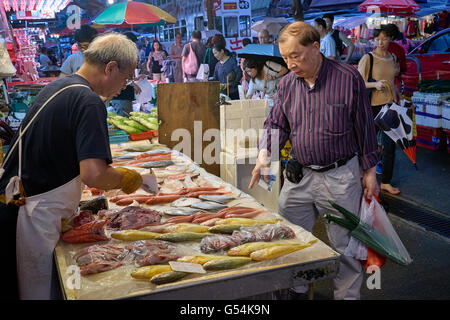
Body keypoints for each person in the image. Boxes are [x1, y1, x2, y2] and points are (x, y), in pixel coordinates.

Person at [0, 33, 143, 300]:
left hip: (27, 206)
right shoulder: (88, 101)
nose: (124, 87)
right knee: (38, 293)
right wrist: (128, 178)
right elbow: (94, 174)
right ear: (110, 67)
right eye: (126, 78)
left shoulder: (60, 86)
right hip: (33, 216)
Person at [249, 21, 379, 300]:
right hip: (300, 176)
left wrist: (370, 171)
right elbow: (276, 124)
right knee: (289, 238)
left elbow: (364, 125)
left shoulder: (348, 78)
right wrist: (264, 155)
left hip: (341, 176)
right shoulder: (286, 85)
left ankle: (346, 296)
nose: (290, 63)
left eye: (295, 56)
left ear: (315, 47)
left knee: (344, 246)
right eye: (285, 58)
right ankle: (296, 290)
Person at [358, 26, 401, 195]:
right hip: (372, 107)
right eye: (377, 39)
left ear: (390, 39)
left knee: (390, 146)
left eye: (384, 39)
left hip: (389, 106)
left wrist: (400, 98)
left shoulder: (393, 58)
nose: (380, 42)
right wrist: (375, 84)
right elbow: (359, 83)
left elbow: (393, 82)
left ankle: (386, 182)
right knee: (368, 145)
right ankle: (362, 176)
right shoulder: (368, 58)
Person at [109, 31, 143, 116]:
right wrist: (133, 84)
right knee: (124, 121)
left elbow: (126, 75)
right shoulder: (120, 57)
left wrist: (136, 79)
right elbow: (119, 76)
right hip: (121, 97)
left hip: (125, 96)